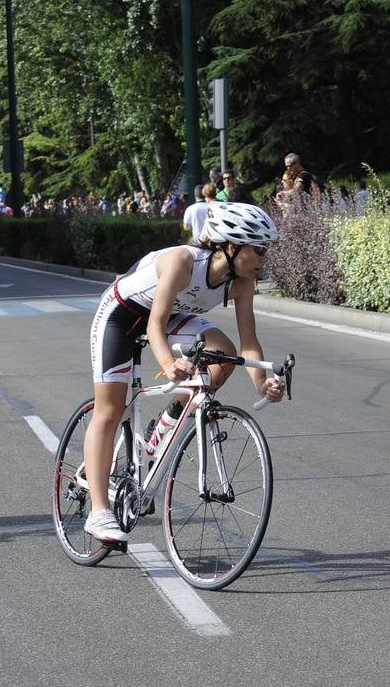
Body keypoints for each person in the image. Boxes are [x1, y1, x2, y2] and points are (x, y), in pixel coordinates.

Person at [79, 203, 286, 544]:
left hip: (173, 315)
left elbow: (249, 342)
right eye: (260, 249)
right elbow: (154, 325)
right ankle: (99, 511)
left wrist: (263, 384)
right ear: (231, 246)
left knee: (224, 354)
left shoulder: (243, 281)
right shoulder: (183, 261)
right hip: (122, 314)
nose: (265, 257)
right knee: (111, 408)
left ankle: (167, 421)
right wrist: (168, 364)